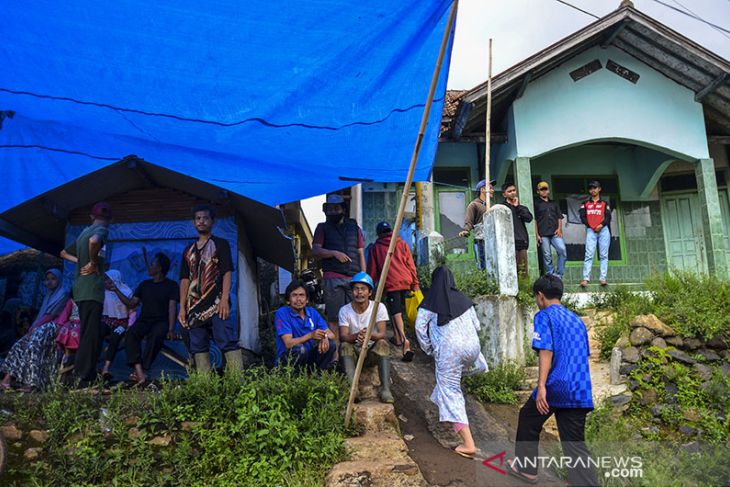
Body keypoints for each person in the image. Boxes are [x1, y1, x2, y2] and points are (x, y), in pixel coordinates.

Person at [508, 275, 598, 486]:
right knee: (574, 444)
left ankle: (526, 469)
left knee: (528, 418)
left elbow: (546, 350)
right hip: (580, 388)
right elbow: (583, 354)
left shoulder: (544, 316)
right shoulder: (576, 319)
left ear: (540, 296)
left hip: (557, 386)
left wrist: (541, 387)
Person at [415, 266, 487, 459]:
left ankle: (468, 443)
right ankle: (479, 368)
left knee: (450, 391)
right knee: (449, 382)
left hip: (450, 352)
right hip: (473, 350)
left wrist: (429, 348)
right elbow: (477, 326)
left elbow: (420, 328)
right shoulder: (463, 299)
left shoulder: (429, 302)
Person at [178, 205, 243, 372]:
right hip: (193, 307)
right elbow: (184, 280)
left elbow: (227, 272)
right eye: (198, 218)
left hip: (216, 304)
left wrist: (224, 300)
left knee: (226, 340)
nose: (201, 221)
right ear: (194, 222)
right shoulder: (188, 250)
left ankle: (239, 385)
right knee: (198, 346)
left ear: (212, 221)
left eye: (205, 218)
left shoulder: (220, 244)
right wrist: (182, 308)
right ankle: (205, 388)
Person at [60, 201, 112, 386]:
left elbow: (64, 253)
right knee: (90, 334)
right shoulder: (102, 231)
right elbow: (94, 241)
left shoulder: (83, 232)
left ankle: (81, 373)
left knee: (88, 332)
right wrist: (91, 262)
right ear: (110, 219)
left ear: (91, 216)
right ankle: (83, 377)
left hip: (80, 290)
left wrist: (82, 261)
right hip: (92, 290)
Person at [311, 194, 366, 357]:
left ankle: (354, 356)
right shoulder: (322, 227)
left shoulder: (355, 228)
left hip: (354, 278)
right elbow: (316, 250)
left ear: (343, 209)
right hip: (332, 278)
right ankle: (334, 357)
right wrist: (334, 253)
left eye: (336, 208)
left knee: (355, 317)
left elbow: (360, 253)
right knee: (334, 318)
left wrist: (364, 277)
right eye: (330, 209)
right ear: (325, 210)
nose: (333, 211)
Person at [0, 269, 69, 391]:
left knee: (34, 345)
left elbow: (51, 316)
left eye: (53, 279)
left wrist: (34, 327)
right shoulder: (48, 295)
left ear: (59, 280)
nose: (49, 282)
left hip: (52, 327)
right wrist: (33, 327)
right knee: (19, 345)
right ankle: (7, 380)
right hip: (41, 326)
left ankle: (32, 383)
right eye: (47, 279)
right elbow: (41, 315)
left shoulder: (62, 293)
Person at [366, 221, 418, 362]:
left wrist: (370, 286)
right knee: (396, 310)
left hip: (391, 283)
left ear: (379, 234)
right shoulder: (401, 243)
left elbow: (372, 270)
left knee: (396, 313)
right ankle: (396, 337)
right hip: (405, 281)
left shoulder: (376, 247)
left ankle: (404, 340)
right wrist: (415, 283)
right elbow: (411, 265)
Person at [338, 272, 393, 403]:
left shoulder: (378, 307)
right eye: (356, 289)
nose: (359, 292)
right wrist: (357, 336)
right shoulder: (344, 310)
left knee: (383, 343)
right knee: (344, 346)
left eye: (363, 289)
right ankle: (353, 389)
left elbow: (382, 333)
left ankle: (385, 389)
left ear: (370, 292)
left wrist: (369, 336)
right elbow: (343, 336)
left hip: (370, 353)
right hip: (354, 355)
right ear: (352, 292)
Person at [274, 280, 336, 370]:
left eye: (302, 295)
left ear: (307, 300)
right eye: (294, 295)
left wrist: (324, 337)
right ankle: (292, 379)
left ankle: (316, 377)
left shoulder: (312, 312)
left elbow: (331, 335)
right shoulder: (282, 313)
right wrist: (311, 335)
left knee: (330, 344)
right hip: (286, 361)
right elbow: (288, 343)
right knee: (300, 349)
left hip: (307, 358)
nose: (298, 299)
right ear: (288, 300)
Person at [99, 270, 134, 381]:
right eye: (105, 279)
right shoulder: (102, 292)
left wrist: (129, 326)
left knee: (115, 337)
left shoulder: (126, 291)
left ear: (115, 279)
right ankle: (93, 364)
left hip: (122, 322)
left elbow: (132, 311)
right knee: (97, 332)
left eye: (108, 279)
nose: (106, 282)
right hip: (106, 320)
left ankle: (106, 368)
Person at [580, 180, 611, 287]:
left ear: (599, 189)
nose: (593, 190)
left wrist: (600, 225)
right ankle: (585, 279)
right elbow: (582, 217)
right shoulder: (585, 204)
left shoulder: (604, 203)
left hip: (603, 230)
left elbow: (608, 217)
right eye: (591, 188)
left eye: (595, 188)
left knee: (603, 255)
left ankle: (603, 278)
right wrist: (592, 226)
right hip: (591, 231)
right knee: (589, 254)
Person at [459, 179, 495, 270]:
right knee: (482, 266)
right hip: (481, 240)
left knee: (493, 266)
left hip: (493, 240)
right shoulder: (474, 204)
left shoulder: (493, 206)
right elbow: (469, 221)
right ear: (482, 190)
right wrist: (466, 230)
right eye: (490, 188)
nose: (492, 190)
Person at [533, 181, 567, 279]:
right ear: (538, 191)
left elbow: (559, 217)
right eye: (541, 190)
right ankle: (550, 275)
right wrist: (537, 234)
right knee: (547, 256)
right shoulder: (536, 204)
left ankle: (559, 275)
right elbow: (535, 219)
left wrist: (559, 229)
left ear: (548, 191)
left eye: (545, 189)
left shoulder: (553, 203)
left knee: (562, 250)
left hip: (555, 233)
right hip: (543, 234)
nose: (544, 191)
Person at [500, 183, 533, 276]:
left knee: (523, 271)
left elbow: (529, 218)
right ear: (504, 194)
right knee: (509, 271)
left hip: (521, 242)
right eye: (509, 191)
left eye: (514, 190)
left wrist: (517, 207)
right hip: (508, 243)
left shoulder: (521, 208)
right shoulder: (502, 208)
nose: (512, 193)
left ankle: (524, 290)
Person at [55, 299, 81, 372]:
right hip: (71, 322)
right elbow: (65, 313)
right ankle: (64, 357)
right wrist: (60, 324)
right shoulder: (72, 301)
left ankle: (69, 361)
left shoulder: (89, 302)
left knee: (74, 333)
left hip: (81, 325)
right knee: (66, 329)